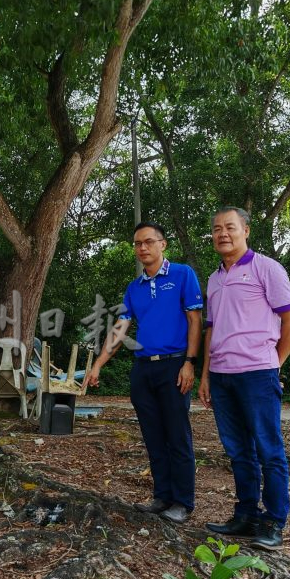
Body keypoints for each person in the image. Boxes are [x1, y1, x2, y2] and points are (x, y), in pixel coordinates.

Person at [84, 222, 203, 524]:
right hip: (143, 369)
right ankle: (162, 496)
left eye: (149, 242)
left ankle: (183, 501)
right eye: (137, 244)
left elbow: (194, 321)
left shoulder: (181, 275)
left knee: (177, 435)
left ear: (163, 244)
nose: (142, 248)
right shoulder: (134, 288)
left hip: (174, 365)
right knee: (153, 435)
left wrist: (190, 361)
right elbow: (121, 328)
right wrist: (97, 364)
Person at [198, 207, 290, 551]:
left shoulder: (267, 269)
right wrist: (206, 375)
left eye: (230, 227)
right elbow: (210, 330)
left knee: (269, 450)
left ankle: (274, 522)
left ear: (246, 230)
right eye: (216, 229)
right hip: (222, 376)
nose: (222, 234)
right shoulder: (214, 279)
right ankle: (246, 515)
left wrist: (275, 364)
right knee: (238, 451)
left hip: (257, 374)